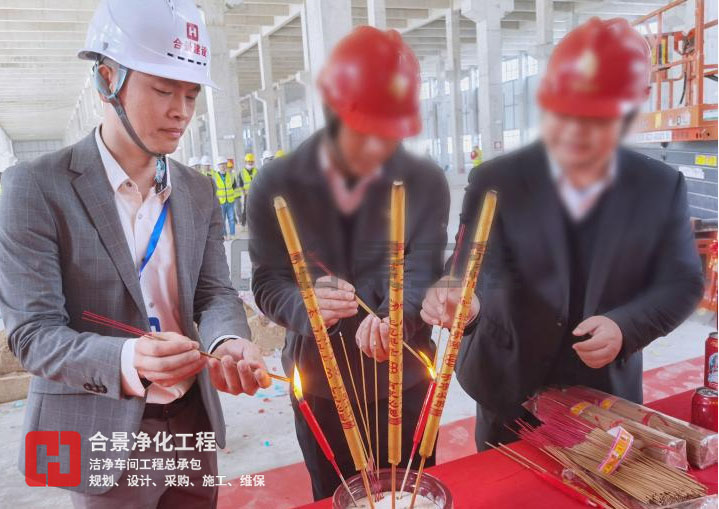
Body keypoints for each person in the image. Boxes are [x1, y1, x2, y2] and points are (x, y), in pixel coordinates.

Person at [0, 1, 270, 507]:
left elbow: (213, 293)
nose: (181, 111)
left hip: (191, 422)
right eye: (164, 90)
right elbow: (33, 334)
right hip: (102, 427)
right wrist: (128, 358)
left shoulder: (198, 190)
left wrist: (228, 339)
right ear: (107, 80)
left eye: (191, 94)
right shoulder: (35, 188)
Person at [420, 17, 704, 452]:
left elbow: (681, 282)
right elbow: (469, 266)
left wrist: (625, 327)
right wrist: (461, 297)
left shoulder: (660, 187)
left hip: (603, 395)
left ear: (640, 99)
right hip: (508, 387)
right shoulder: (495, 180)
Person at [248, 26, 448, 500]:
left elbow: (424, 268)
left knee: (412, 496)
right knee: (336, 495)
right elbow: (268, 280)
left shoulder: (424, 180)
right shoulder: (277, 183)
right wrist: (303, 305)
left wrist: (398, 317)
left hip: (408, 378)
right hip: (323, 387)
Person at [212, 155, 237, 239]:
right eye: (221, 164)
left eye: (224, 164)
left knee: (232, 218)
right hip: (221, 202)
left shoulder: (231, 175)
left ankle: (232, 234)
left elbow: (234, 186)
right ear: (218, 166)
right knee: (222, 219)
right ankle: (224, 235)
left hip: (230, 201)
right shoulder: (215, 177)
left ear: (226, 165)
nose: (222, 166)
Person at [236, 152, 258, 230]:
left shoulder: (256, 171)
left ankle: (255, 224)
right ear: (246, 162)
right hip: (247, 194)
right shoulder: (242, 172)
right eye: (249, 162)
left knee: (256, 209)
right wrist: (243, 192)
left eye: (252, 161)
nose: (250, 163)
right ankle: (243, 224)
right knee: (246, 209)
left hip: (256, 194)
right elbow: (240, 184)